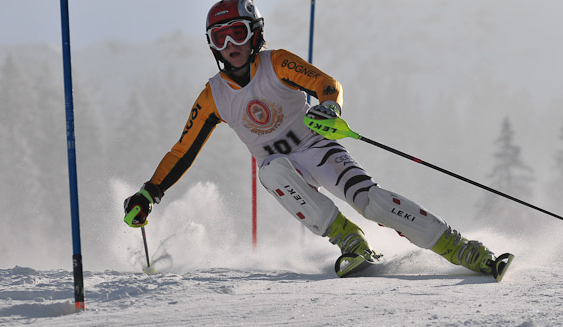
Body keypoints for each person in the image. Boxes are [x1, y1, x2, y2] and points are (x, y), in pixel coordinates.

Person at [124, 0, 506, 278]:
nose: (230, 46)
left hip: (318, 148)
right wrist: (149, 192)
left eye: (237, 33)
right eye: (219, 38)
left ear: (255, 32)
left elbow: (326, 83)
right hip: (284, 169)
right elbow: (182, 151)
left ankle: (464, 249)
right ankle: (349, 240)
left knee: (369, 201)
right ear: (211, 45)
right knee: (270, 171)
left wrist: (329, 106)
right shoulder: (213, 96)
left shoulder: (277, 62)